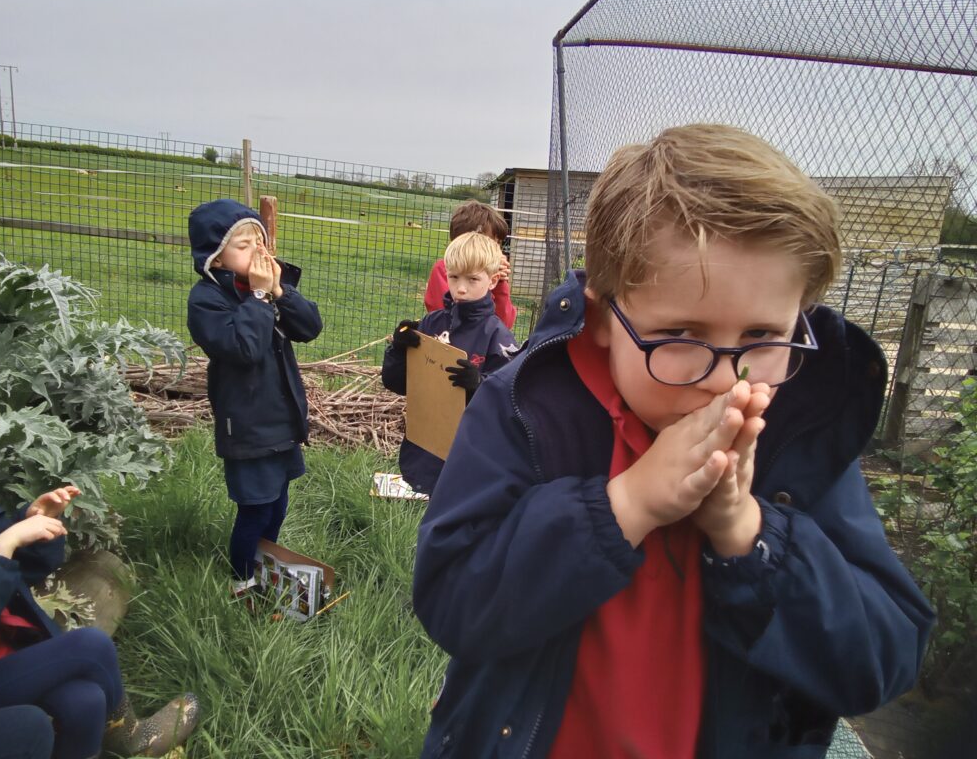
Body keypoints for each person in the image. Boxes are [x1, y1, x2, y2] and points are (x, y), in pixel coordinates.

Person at [412, 125, 935, 758]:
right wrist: (623, 506)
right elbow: (452, 599)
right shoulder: (527, 407)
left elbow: (883, 658)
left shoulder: (797, 434)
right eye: (681, 333)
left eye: (765, 336)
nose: (724, 378)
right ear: (605, 319)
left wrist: (749, 531)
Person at [0, 426, 199, 759]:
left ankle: (111, 744)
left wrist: (32, 527)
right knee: (89, 646)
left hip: (2, 654)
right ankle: (131, 737)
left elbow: (15, 576)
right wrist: (4, 546)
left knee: (85, 700)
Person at [187, 199, 323, 600]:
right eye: (243, 245)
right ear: (217, 257)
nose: (258, 252)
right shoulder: (207, 300)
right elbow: (244, 349)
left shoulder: (264, 291)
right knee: (255, 509)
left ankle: (267, 569)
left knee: (277, 506)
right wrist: (261, 300)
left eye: (259, 242)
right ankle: (243, 582)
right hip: (246, 425)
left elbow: (311, 327)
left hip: (281, 419)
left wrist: (280, 292)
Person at [383, 231, 519, 495]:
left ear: (492, 281)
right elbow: (396, 383)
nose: (461, 288)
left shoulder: (497, 336)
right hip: (429, 447)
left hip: (474, 455)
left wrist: (479, 385)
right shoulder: (432, 323)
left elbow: (509, 403)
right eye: (454, 277)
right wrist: (398, 350)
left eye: (472, 279)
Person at [423, 200, 517, 329]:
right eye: (489, 243)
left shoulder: (490, 275)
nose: (496, 250)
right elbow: (446, 318)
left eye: (498, 244)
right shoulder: (444, 269)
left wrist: (500, 284)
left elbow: (505, 324)